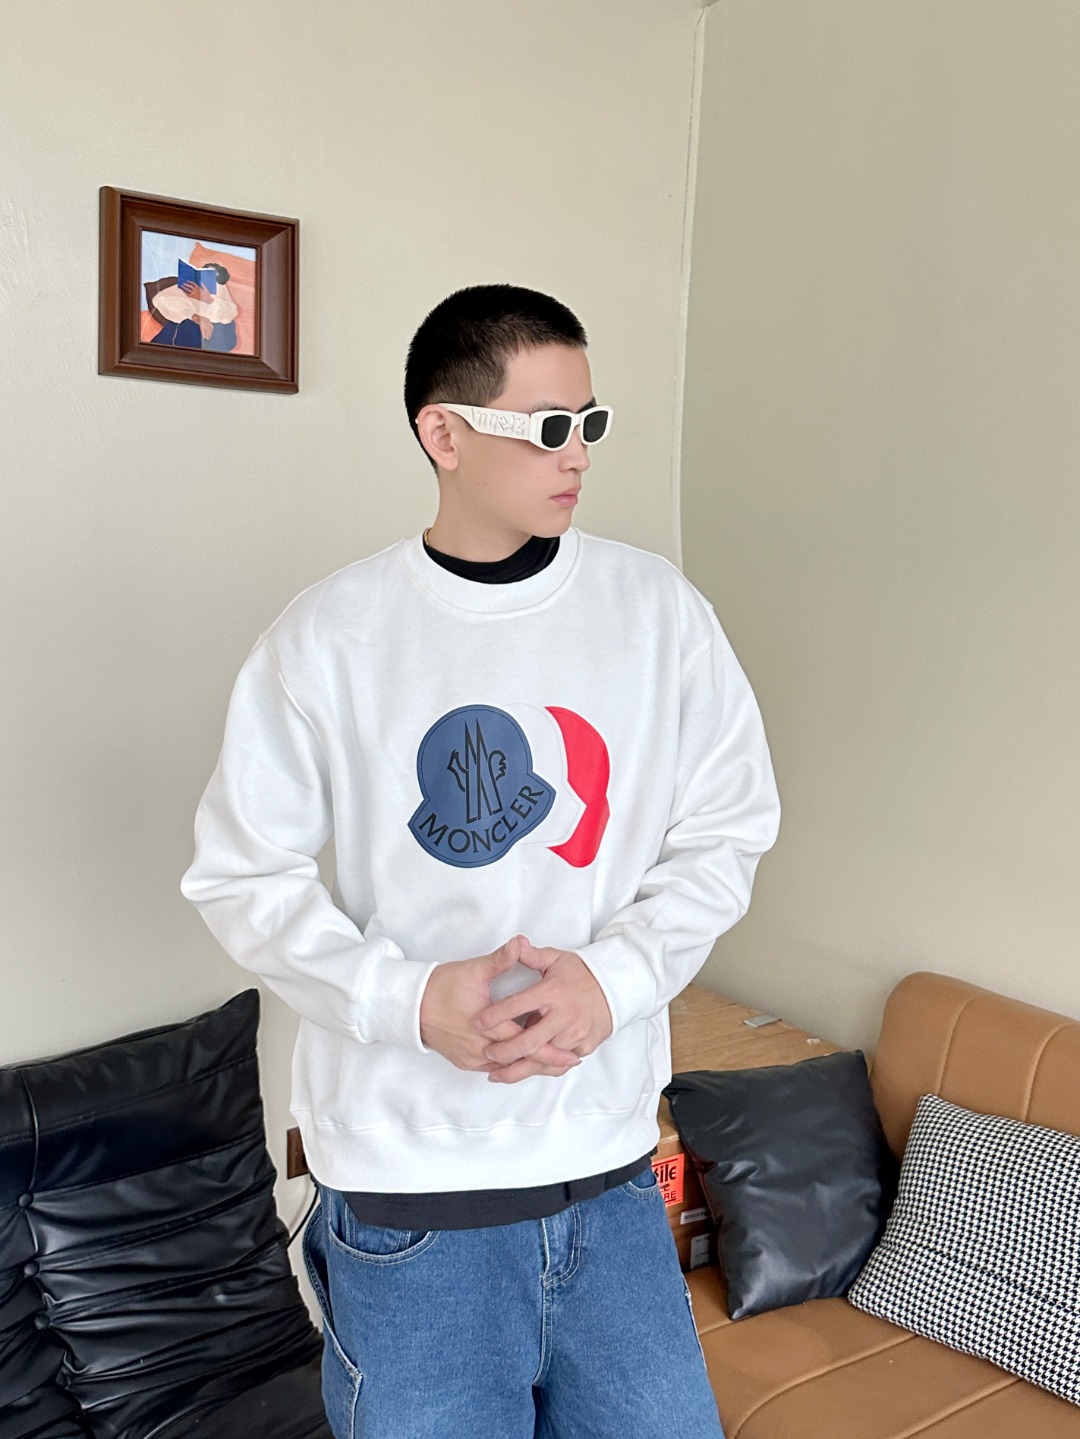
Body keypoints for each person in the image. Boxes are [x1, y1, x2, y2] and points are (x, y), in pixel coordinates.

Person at [180, 284, 781, 1438]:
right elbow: (241, 873)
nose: (578, 454)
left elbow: (729, 824)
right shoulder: (330, 635)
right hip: (410, 1198)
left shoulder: (656, 611)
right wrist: (408, 1000)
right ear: (443, 432)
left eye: (590, 421)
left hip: (610, 1172)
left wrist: (612, 977)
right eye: (547, 426)